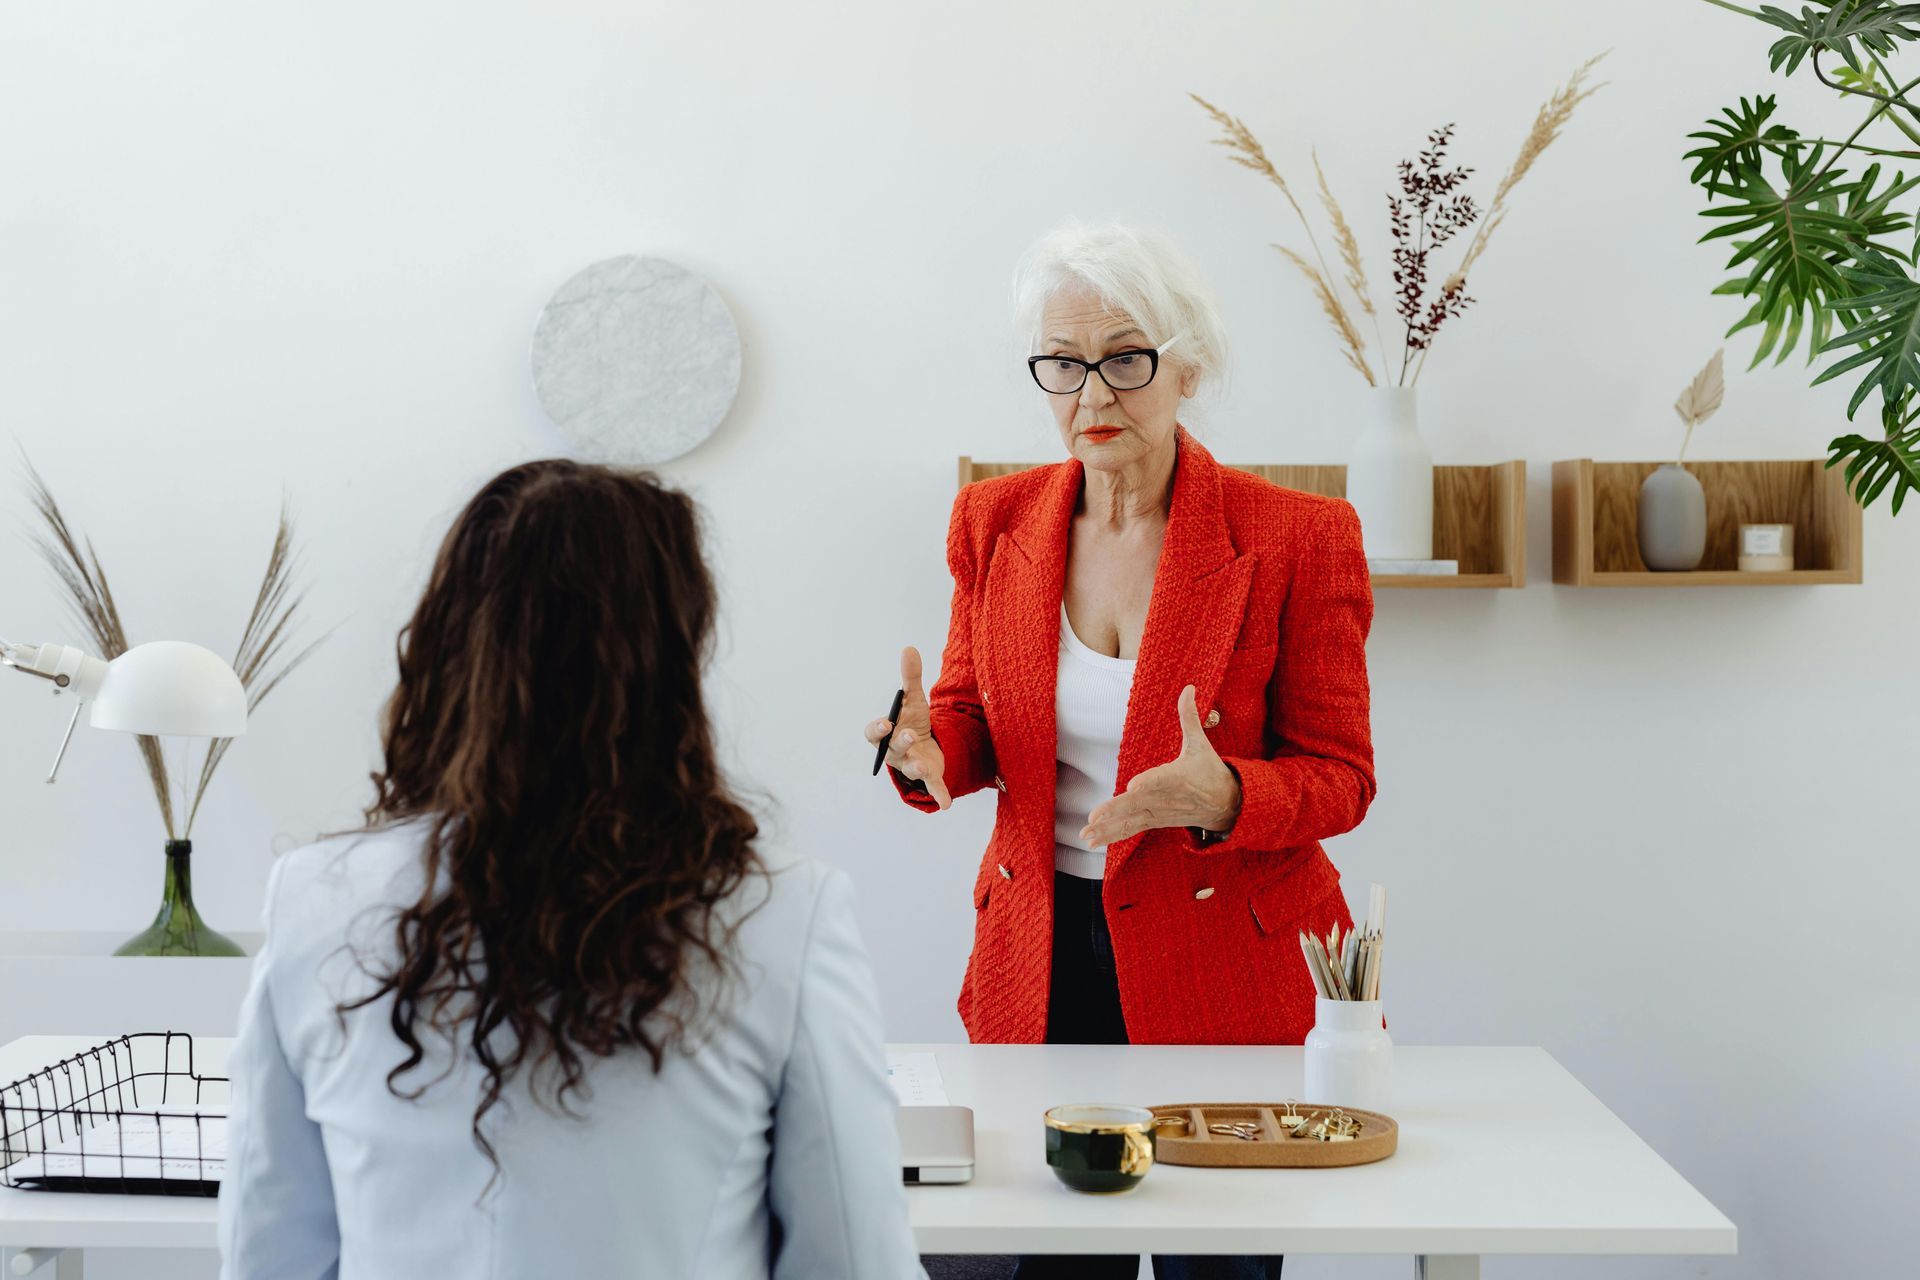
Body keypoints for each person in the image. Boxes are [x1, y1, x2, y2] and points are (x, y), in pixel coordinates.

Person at [220, 461, 923, 1280]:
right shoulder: (784, 912)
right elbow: (855, 1262)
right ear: (671, 661)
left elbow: (268, 1256)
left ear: (449, 643)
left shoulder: (312, 897)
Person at [866, 224, 1376, 1280]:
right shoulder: (990, 519)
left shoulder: (1298, 536)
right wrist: (931, 750)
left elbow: (1341, 773)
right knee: (1045, 1264)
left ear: (1189, 365)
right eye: (1062, 362)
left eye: (1125, 358)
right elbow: (971, 711)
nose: (1091, 393)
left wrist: (1225, 792)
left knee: (1216, 1266)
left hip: (1224, 956)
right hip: (1043, 948)